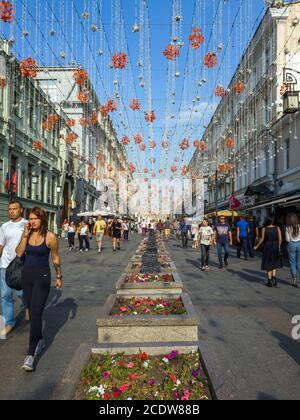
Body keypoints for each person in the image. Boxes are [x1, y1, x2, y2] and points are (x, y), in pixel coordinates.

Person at [16, 207, 63, 372]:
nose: (32, 221)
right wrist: (23, 236)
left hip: (42, 277)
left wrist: (59, 276)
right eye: (30, 218)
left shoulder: (50, 236)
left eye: (35, 218)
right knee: (32, 311)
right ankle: (40, 340)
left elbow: (56, 258)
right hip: (26, 276)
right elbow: (19, 253)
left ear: (42, 219)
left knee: (36, 314)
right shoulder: (27, 234)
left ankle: (30, 355)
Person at [0, 201, 28, 337]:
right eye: (9, 209)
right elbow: (1, 245)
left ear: (21, 210)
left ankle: (28, 305)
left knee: (21, 293)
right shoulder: (4, 226)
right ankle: (9, 322)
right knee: (5, 295)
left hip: (21, 265)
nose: (11, 211)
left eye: (14, 209)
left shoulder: (27, 224)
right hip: (5, 265)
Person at [254, 217, 283, 288]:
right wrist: (279, 247)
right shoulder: (277, 228)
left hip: (267, 247)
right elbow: (280, 239)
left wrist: (257, 246)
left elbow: (262, 239)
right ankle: (274, 279)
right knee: (274, 263)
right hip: (275, 247)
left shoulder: (264, 229)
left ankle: (269, 281)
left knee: (268, 263)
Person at [285, 213, 300, 288]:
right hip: (299, 244)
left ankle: (294, 281)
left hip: (291, 244)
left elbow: (287, 239)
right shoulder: (299, 226)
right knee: (299, 262)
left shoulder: (288, 228)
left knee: (292, 263)